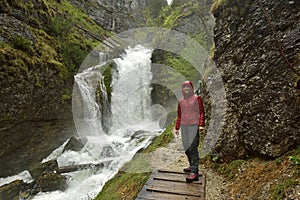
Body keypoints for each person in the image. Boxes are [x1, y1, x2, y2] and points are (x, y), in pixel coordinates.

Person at [175, 81, 205, 182]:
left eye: (188, 87)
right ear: (182, 89)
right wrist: (177, 127)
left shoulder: (197, 98)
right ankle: (191, 165)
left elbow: (201, 112)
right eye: (184, 87)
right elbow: (179, 115)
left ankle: (194, 171)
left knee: (193, 147)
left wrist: (201, 124)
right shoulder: (181, 101)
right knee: (186, 147)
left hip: (193, 124)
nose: (186, 89)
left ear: (191, 88)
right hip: (184, 125)